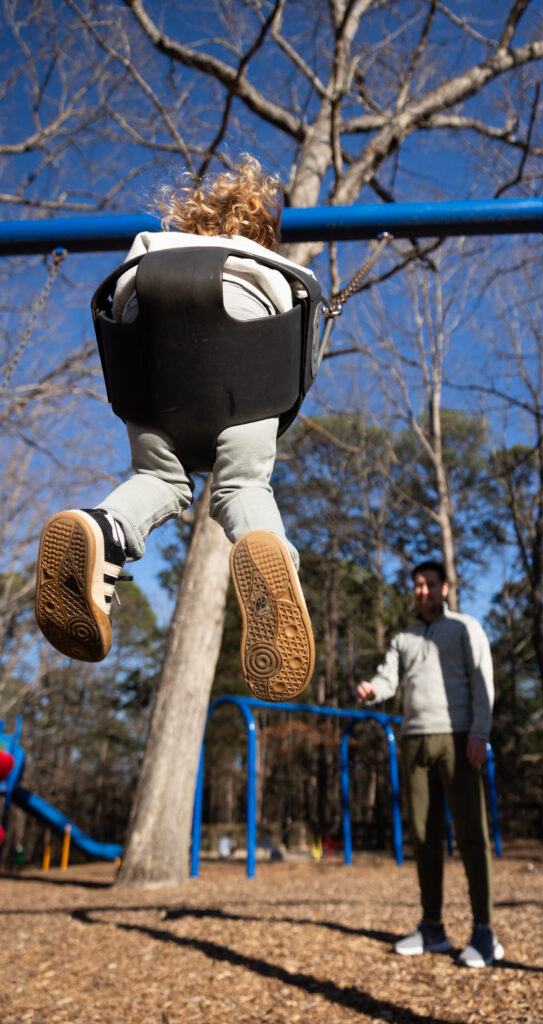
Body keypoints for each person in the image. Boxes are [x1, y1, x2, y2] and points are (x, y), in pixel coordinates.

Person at [34, 156, 314, 702]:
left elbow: (117, 304)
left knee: (157, 478)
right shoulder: (263, 262)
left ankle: (104, 528)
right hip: (247, 371)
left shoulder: (151, 249)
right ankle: (270, 550)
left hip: (151, 367)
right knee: (242, 486)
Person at [356, 560, 502, 967]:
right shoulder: (403, 638)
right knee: (424, 837)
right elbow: (389, 679)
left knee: (472, 835)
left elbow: (482, 680)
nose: (423, 590)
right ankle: (433, 927)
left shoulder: (465, 627)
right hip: (414, 741)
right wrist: (372, 689)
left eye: (430, 584)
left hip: (458, 737)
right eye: (418, 585)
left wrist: (480, 732)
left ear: (445, 588)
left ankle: (485, 931)